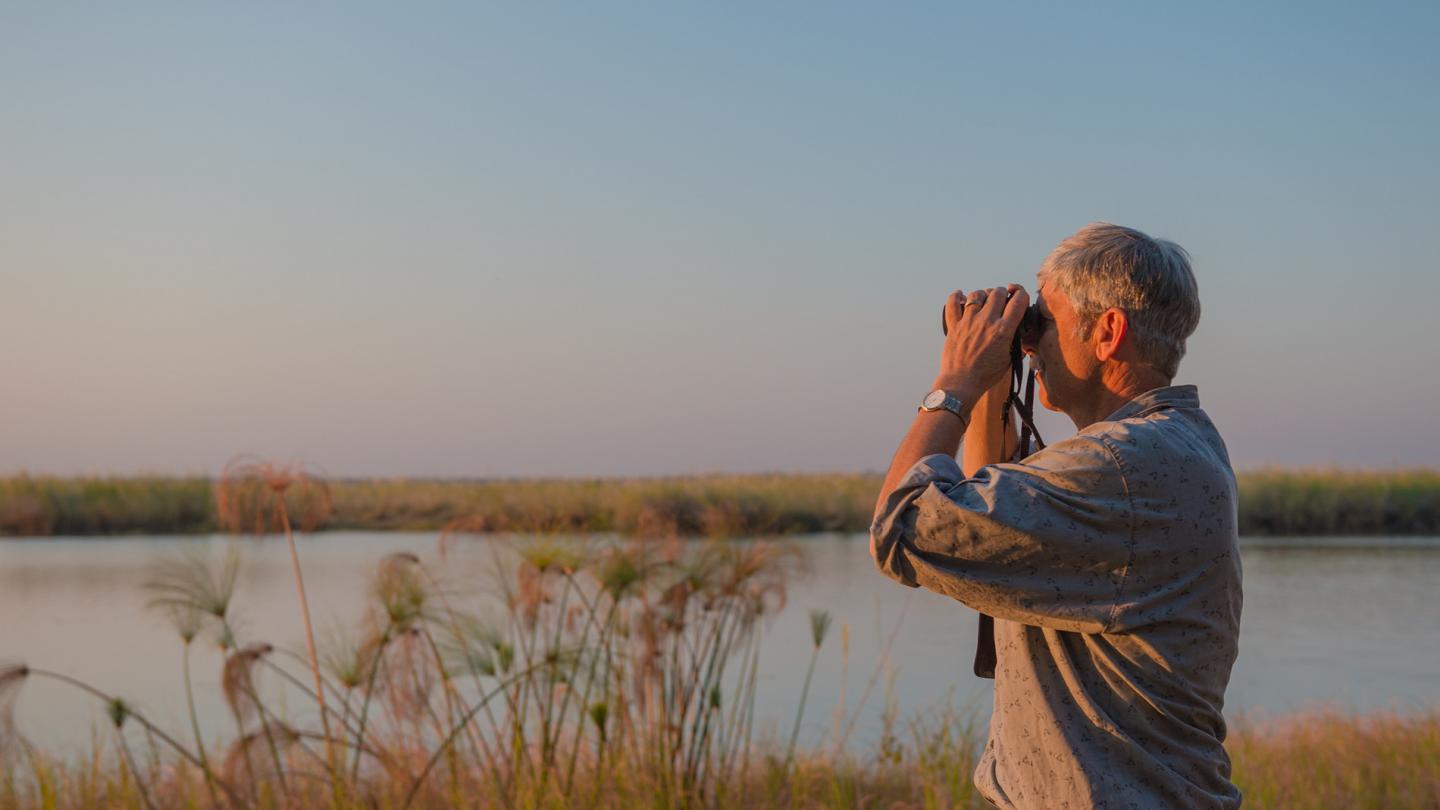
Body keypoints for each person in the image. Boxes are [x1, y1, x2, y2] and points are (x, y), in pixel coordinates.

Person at [870, 223, 1243, 809]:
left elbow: (905, 527)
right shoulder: (1173, 446)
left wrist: (955, 382)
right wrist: (995, 388)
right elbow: (983, 522)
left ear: (1108, 332)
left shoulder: (1120, 464)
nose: (1031, 343)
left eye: (1043, 322)